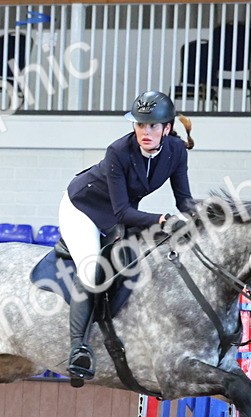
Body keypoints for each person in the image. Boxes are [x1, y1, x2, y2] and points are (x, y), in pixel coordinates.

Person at [58, 89, 198, 384]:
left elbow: (184, 201)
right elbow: (123, 213)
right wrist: (162, 220)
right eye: (139, 125)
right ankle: (77, 350)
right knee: (92, 267)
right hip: (83, 209)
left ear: (167, 128)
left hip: (116, 214)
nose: (145, 132)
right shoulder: (118, 151)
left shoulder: (176, 152)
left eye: (153, 126)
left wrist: (208, 218)